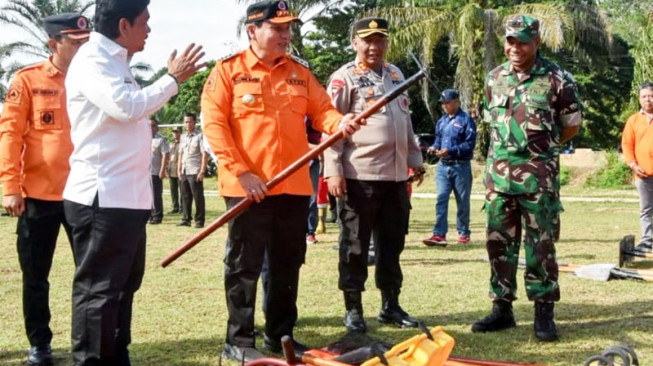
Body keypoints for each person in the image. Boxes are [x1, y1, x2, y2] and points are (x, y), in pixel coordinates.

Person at [200, 0, 361, 361]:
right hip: (249, 191)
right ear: (253, 30)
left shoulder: (299, 73)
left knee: (288, 264)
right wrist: (242, 172)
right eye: (278, 28)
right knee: (244, 266)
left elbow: (323, 111)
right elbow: (214, 127)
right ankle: (239, 342)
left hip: (293, 188)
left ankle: (281, 336)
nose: (286, 35)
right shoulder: (228, 72)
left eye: (288, 29)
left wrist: (340, 123)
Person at [62, 0, 206, 364]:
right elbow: (127, 106)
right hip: (101, 196)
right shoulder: (93, 57)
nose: (149, 30)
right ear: (124, 25)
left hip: (126, 198)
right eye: (145, 22)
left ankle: (115, 354)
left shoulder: (116, 61)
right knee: (99, 291)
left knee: (124, 286)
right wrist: (172, 80)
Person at [471, 15, 581, 342]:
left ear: (537, 43)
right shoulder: (494, 78)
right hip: (499, 179)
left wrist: (542, 151)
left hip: (538, 179)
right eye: (510, 42)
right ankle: (501, 309)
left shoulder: (558, 79)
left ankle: (543, 312)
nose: (515, 48)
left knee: (540, 246)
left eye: (522, 42)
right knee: (498, 245)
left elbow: (570, 125)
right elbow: (493, 122)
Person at [324, 17, 425, 334]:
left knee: (392, 246)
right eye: (367, 40)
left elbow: (404, 122)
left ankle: (390, 306)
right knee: (354, 246)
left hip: (395, 179)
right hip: (359, 177)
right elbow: (331, 128)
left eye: (380, 40)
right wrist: (333, 170)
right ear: (355, 43)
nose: (374, 46)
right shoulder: (345, 79)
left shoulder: (396, 75)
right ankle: (353, 309)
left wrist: (415, 158)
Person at [0, 13, 90, 366]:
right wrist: (10, 186)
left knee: (92, 275)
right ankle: (40, 344)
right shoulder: (29, 81)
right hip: (38, 196)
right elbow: (10, 135)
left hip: (84, 195)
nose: (84, 48)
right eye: (76, 42)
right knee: (36, 277)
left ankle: (89, 341)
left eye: (86, 41)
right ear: (55, 44)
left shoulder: (94, 79)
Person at [422, 89, 477, 247]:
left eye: (447, 103)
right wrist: (434, 148)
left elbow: (469, 144)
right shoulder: (442, 121)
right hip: (443, 167)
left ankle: (463, 233)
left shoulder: (466, 120)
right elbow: (438, 140)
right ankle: (439, 234)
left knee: (462, 201)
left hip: (461, 167)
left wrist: (451, 150)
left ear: (456, 102)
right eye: (442, 103)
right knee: (441, 199)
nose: (444, 106)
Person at [621, 82, 653, 252]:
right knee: (646, 209)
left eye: (651, 96)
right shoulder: (633, 121)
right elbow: (627, 145)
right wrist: (633, 164)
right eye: (644, 96)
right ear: (640, 99)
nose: (648, 99)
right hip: (643, 174)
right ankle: (647, 241)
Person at [177, 112, 207, 228]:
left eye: (190, 122)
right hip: (184, 170)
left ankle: (199, 220)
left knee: (197, 196)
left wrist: (202, 171)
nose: (188, 124)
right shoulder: (183, 137)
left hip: (195, 170)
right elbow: (180, 154)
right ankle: (186, 218)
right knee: (185, 196)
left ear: (195, 122)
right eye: (186, 122)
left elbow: (204, 154)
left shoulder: (200, 136)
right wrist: (179, 169)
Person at [149, 117, 170, 224]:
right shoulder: (144, 138)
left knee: (156, 195)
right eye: (148, 126)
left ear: (157, 127)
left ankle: (157, 216)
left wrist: (162, 170)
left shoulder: (161, 139)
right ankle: (150, 215)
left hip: (156, 171)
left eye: (152, 125)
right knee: (147, 195)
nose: (150, 128)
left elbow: (165, 155)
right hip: (146, 172)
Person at [167, 126, 182, 214]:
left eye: (177, 132)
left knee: (182, 190)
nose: (175, 134)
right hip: (171, 169)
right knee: (173, 190)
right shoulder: (171, 143)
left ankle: (182, 207)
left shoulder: (182, 143)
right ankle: (175, 206)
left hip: (179, 169)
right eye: (174, 132)